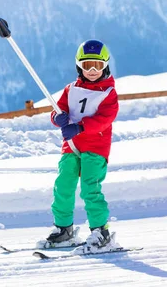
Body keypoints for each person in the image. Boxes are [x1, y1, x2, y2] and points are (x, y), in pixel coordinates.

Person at [42, 39, 119, 251]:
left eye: (97, 65)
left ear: (105, 65)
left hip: (95, 147)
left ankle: (100, 232)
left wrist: (80, 127)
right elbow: (59, 110)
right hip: (72, 146)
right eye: (87, 65)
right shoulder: (71, 89)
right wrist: (57, 118)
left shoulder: (108, 93)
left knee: (89, 188)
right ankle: (64, 229)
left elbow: (105, 118)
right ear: (79, 66)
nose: (93, 70)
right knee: (63, 185)